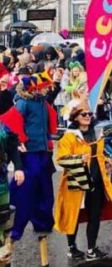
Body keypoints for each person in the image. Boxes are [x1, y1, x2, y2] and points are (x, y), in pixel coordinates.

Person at [1, 68, 59, 267]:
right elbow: (10, 122)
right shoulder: (24, 103)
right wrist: (19, 141)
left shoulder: (42, 102)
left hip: (43, 153)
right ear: (34, 88)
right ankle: (15, 227)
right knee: (27, 188)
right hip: (31, 153)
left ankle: (43, 222)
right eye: (43, 87)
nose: (46, 90)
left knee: (44, 190)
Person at [55, 104, 112, 260]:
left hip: (97, 181)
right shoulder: (69, 137)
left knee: (95, 215)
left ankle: (91, 249)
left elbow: (99, 155)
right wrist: (79, 159)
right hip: (77, 181)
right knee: (73, 215)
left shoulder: (97, 134)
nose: (87, 116)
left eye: (89, 114)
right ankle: (72, 248)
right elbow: (60, 159)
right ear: (75, 118)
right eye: (83, 114)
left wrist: (107, 161)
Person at [0, 108, 23, 265]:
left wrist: (19, 167)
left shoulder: (2, 127)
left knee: (4, 223)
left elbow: (12, 145)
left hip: (1, 185)